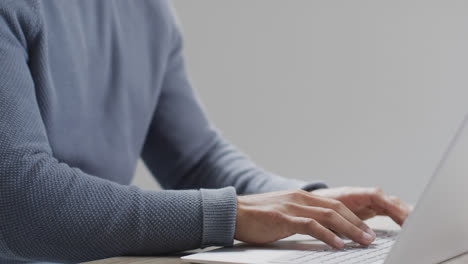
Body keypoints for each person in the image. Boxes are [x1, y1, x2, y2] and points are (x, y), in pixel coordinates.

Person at [0, 1, 410, 263]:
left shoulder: (147, 10)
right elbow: (22, 201)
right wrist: (230, 214)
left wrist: (307, 203)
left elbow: (195, 160)